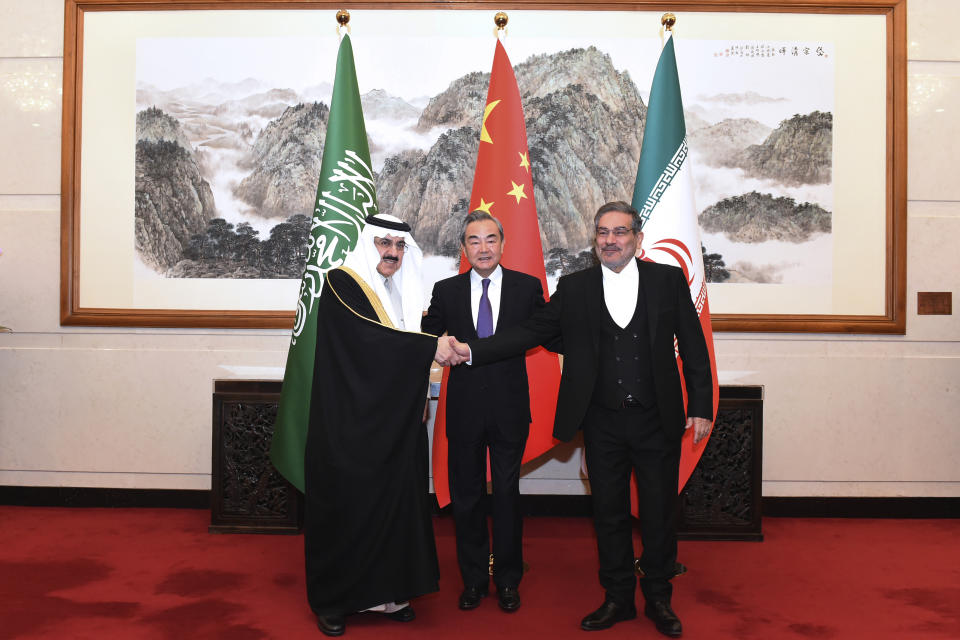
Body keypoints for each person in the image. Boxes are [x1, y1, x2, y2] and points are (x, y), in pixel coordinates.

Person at [447, 201, 713, 637]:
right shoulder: (575, 288)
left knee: (658, 513)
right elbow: (531, 333)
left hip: (657, 419)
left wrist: (701, 403)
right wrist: (474, 350)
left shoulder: (668, 281)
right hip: (602, 422)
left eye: (620, 232)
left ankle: (660, 599)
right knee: (608, 514)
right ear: (595, 241)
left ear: (637, 239)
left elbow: (694, 344)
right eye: (603, 233)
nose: (611, 240)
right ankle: (618, 598)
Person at [304, 213, 448, 637]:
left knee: (394, 504)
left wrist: (419, 392)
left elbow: (397, 344)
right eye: (385, 243)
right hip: (348, 425)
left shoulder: (397, 293)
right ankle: (333, 600)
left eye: (401, 246)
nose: (393, 253)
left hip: (394, 421)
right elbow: (369, 340)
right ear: (368, 244)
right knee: (347, 506)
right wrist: (431, 347)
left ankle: (387, 593)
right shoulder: (340, 283)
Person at [422, 211, 547, 613]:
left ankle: (509, 580)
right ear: (463, 249)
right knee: (467, 498)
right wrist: (437, 344)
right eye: (474, 241)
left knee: (508, 495)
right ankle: (474, 580)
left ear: (503, 244)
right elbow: (427, 336)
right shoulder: (446, 290)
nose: (483, 248)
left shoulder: (528, 289)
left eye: (490, 239)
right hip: (464, 410)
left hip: (510, 408)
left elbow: (538, 333)